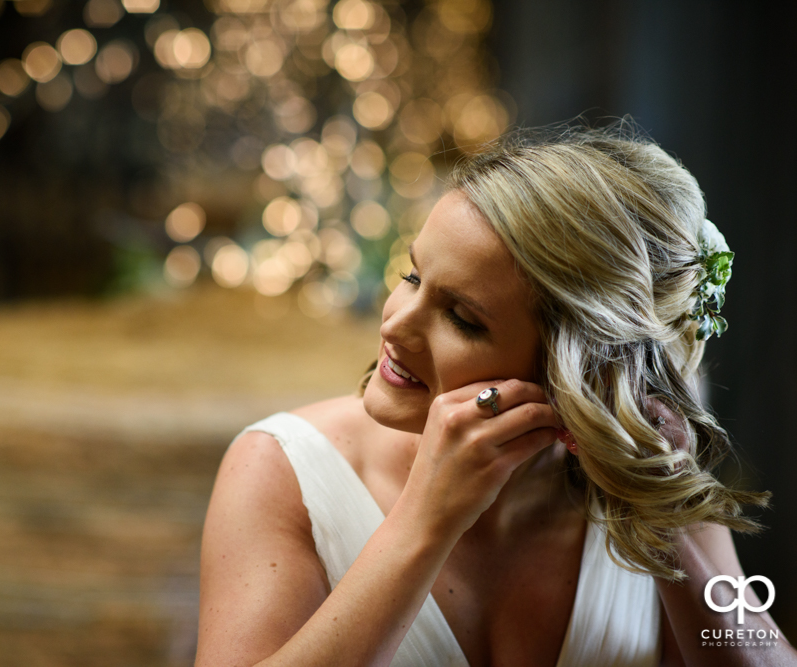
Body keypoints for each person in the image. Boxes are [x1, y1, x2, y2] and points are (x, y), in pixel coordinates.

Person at [195, 123, 795, 667]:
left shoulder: (656, 472)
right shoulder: (279, 467)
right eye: (412, 276)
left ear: (579, 371)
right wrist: (424, 523)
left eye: (461, 317)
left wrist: (667, 512)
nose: (394, 325)